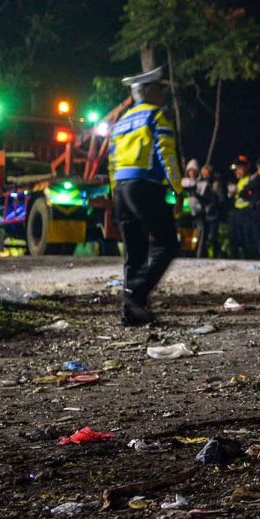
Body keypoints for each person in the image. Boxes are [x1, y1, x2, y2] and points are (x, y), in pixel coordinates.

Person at [109, 66, 184, 325]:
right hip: (145, 186)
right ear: (149, 91)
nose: (164, 94)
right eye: (161, 89)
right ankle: (136, 294)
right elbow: (166, 154)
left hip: (121, 188)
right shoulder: (156, 116)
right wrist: (178, 188)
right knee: (167, 243)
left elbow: (112, 161)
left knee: (134, 250)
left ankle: (131, 314)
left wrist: (114, 192)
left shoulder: (120, 122)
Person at [194, 164, 226, 258]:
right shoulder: (200, 182)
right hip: (203, 215)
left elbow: (220, 199)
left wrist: (213, 204)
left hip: (213, 215)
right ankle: (205, 255)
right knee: (204, 238)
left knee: (213, 238)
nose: (204, 173)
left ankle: (215, 256)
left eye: (206, 172)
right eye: (203, 172)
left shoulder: (215, 183)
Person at [230, 162, 253, 259]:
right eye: (236, 170)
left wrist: (237, 192)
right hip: (238, 211)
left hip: (246, 211)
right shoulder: (240, 181)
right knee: (237, 236)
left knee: (246, 237)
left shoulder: (249, 179)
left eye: (239, 169)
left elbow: (249, 193)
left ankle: (249, 257)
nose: (236, 172)